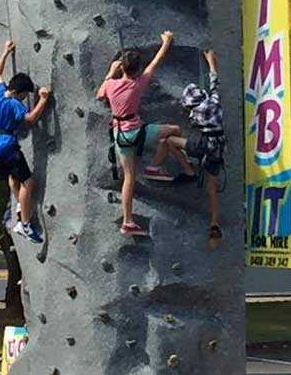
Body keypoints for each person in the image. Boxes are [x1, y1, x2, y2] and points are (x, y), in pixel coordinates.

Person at [96, 30, 196, 236]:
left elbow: (99, 96)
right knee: (174, 130)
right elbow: (155, 63)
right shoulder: (137, 83)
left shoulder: (111, 84)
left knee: (129, 178)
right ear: (138, 69)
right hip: (137, 132)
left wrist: (110, 72)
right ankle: (157, 166)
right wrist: (166, 42)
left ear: (121, 67)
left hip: (120, 136)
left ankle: (127, 221)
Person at [0, 40, 51, 244]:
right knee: (28, 182)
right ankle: (25, 224)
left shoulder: (0, 93)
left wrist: (6, 52)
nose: (26, 98)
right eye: (26, 94)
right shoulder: (15, 104)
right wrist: (43, 100)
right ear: (20, 92)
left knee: (14, 179)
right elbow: (31, 120)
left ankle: (20, 205)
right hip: (8, 144)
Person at [166, 49, 226, 246]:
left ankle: (188, 169)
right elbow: (215, 83)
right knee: (212, 187)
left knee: (170, 142)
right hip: (218, 147)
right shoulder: (213, 102)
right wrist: (211, 62)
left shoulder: (197, 113)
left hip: (204, 144)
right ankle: (214, 222)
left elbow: (192, 116)